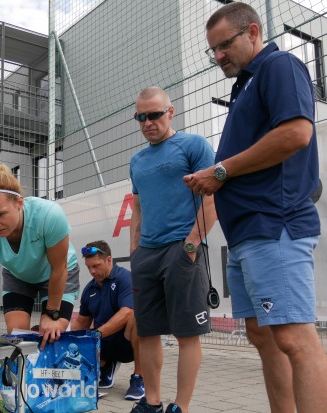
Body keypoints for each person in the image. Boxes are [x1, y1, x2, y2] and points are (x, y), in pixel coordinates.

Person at [184, 3, 327, 412]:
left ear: (252, 32)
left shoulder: (278, 65)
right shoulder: (244, 85)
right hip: (247, 232)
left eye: (224, 45)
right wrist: (214, 174)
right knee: (264, 337)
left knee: (295, 339)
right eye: (212, 50)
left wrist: (221, 172)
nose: (218, 56)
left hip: (273, 224)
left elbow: (297, 133)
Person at [129, 86, 218, 413]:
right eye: (141, 116)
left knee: (187, 333)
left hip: (182, 250)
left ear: (171, 111)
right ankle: (151, 402)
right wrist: (135, 251)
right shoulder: (136, 160)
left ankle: (180, 406)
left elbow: (211, 198)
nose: (148, 122)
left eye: (154, 114)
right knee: (147, 331)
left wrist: (191, 244)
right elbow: (137, 209)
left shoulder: (193, 145)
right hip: (147, 255)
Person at [0, 161, 80, 348]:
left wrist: (52, 314)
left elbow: (59, 268)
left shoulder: (49, 215)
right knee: (17, 337)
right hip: (18, 274)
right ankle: (23, 374)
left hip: (56, 272)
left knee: (53, 332)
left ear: (19, 203)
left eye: (1, 214)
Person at [70, 240, 145, 401]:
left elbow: (126, 313)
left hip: (126, 344)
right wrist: (61, 333)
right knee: (76, 337)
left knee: (138, 318)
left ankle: (139, 377)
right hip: (103, 343)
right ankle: (106, 366)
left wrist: (96, 334)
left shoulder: (125, 278)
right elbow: (82, 322)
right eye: (89, 267)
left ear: (109, 260)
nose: (92, 271)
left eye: (96, 266)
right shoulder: (89, 289)